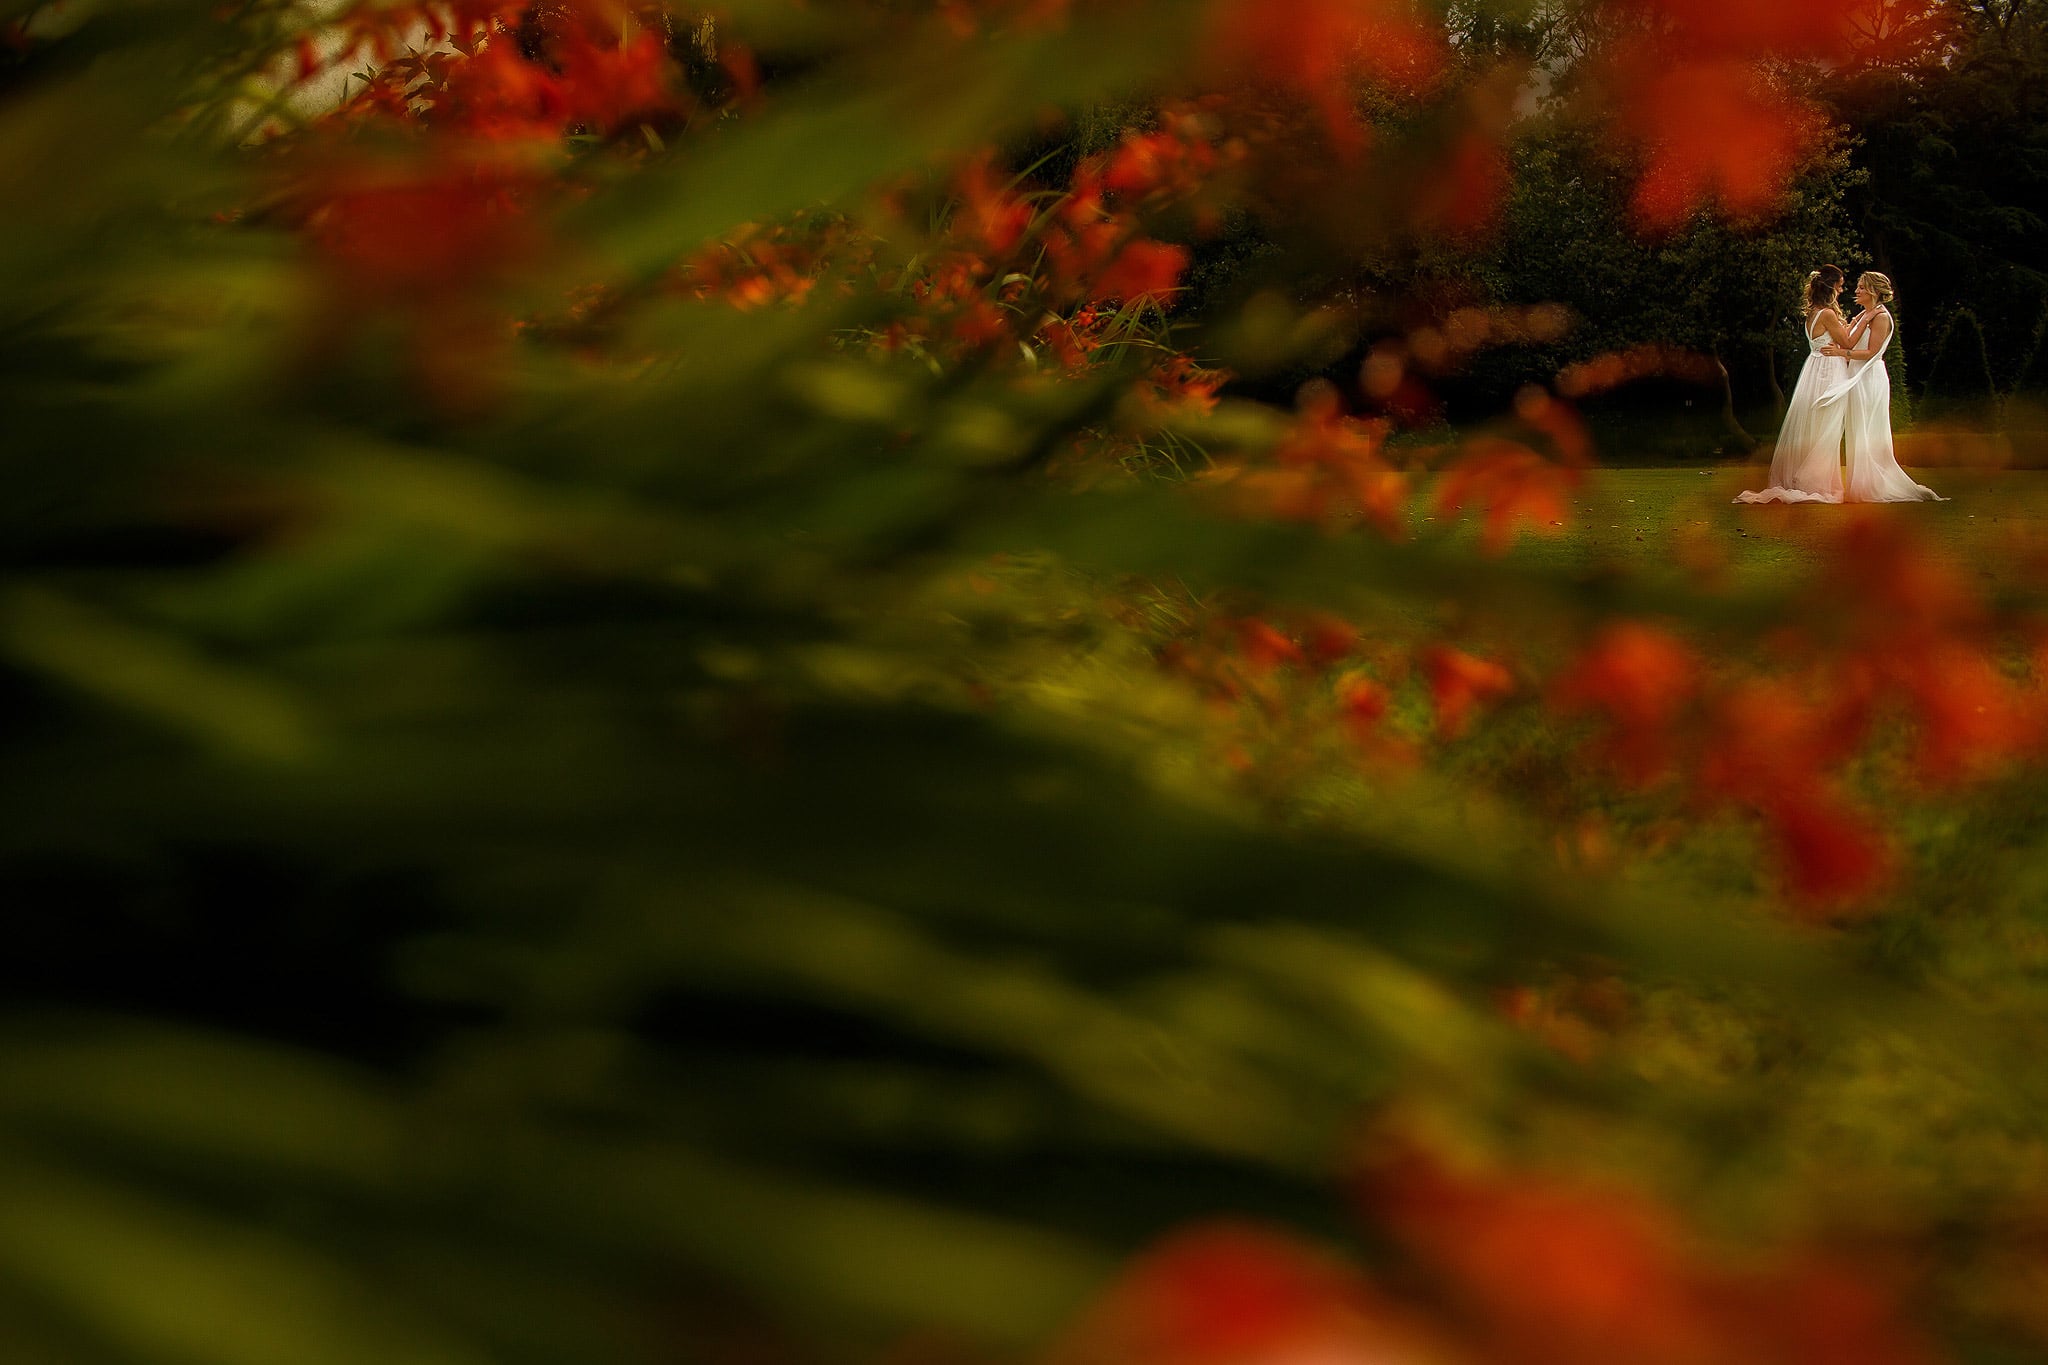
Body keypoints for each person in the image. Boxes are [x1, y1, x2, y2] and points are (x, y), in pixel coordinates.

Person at [1816, 272, 1942, 503]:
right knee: (1857, 433)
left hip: (1869, 378)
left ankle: (1872, 487)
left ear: (1873, 291)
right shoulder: (1865, 315)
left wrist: (1840, 353)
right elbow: (1850, 340)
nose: (1857, 291)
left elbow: (1872, 353)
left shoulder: (1881, 317)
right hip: (1855, 376)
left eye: (1862, 288)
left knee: (1869, 432)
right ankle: (1860, 486)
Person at [1734, 266, 1853, 505]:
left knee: (1819, 426)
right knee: (1826, 427)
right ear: (1831, 287)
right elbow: (1847, 341)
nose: (1842, 289)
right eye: (1840, 284)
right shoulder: (1828, 314)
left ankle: (1814, 478)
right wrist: (1864, 319)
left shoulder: (1814, 313)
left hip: (1815, 368)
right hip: (1828, 370)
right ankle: (1815, 481)